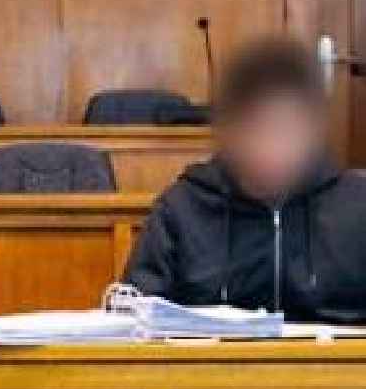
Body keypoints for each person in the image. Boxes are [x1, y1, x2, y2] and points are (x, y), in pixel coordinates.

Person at [123, 38, 366, 323]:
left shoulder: (357, 207)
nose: (271, 148)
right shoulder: (182, 209)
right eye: (255, 129)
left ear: (314, 131)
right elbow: (135, 319)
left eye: (286, 130)